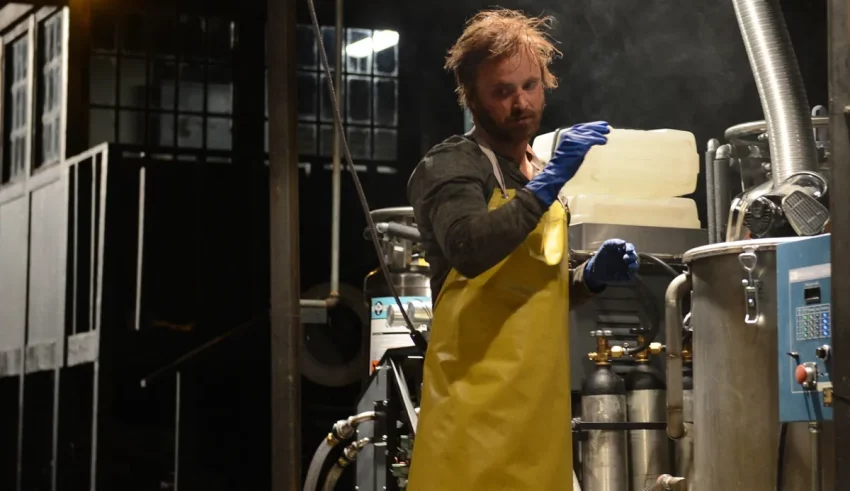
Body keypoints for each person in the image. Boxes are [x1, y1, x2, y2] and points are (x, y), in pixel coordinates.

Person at [405, 8, 640, 491]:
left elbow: (531, 287)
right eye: (502, 91)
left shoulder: (537, 169)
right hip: (472, 421)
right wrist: (551, 183)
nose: (520, 102)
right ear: (472, 99)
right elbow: (470, 248)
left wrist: (590, 277)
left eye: (530, 86)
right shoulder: (452, 165)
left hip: (539, 419)